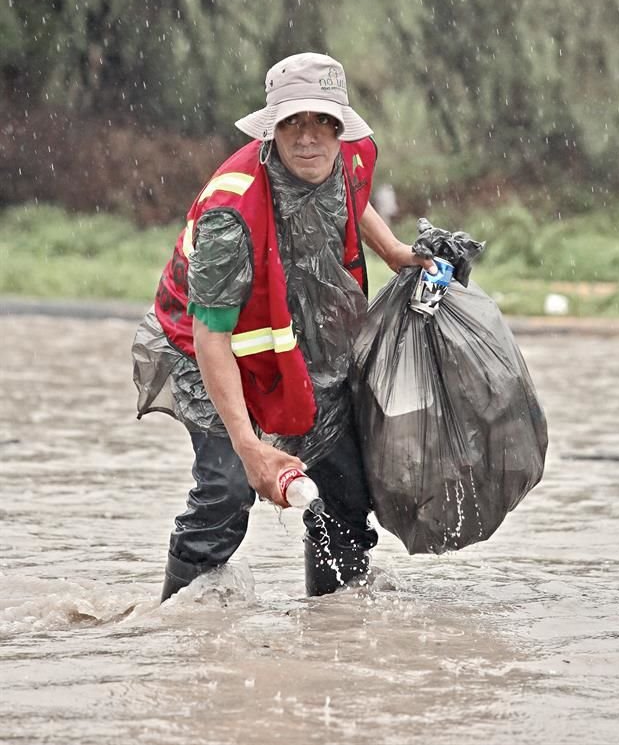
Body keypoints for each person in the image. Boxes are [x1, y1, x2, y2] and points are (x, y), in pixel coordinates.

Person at [132, 52, 436, 600]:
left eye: (324, 122)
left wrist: (390, 249)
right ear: (272, 129)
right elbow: (211, 337)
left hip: (301, 330)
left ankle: (334, 625)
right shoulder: (233, 212)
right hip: (209, 343)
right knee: (226, 488)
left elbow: (352, 193)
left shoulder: (352, 156)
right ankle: (177, 624)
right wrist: (251, 448)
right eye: (294, 122)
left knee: (345, 487)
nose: (309, 139)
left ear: (342, 129)